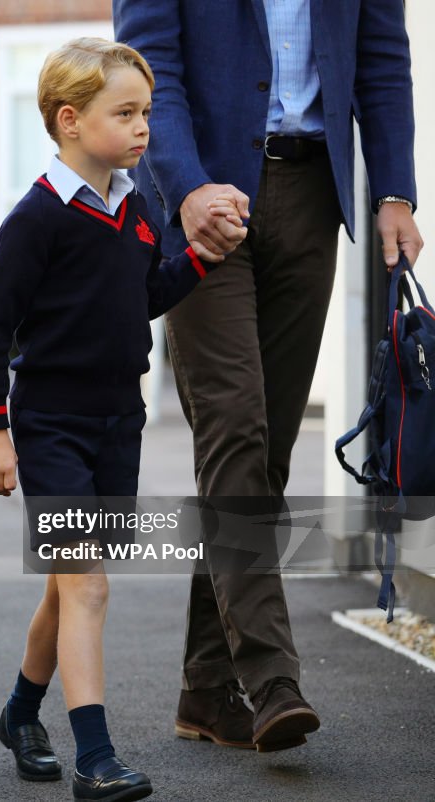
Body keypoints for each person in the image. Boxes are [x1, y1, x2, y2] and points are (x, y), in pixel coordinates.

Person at [113, 0, 424, 753]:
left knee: (265, 451)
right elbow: (154, 71)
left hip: (314, 195)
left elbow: (383, 62)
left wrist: (394, 190)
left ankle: (204, 690)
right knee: (234, 426)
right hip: (202, 201)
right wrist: (185, 188)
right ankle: (273, 677)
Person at [0, 39, 244, 802]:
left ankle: (21, 713)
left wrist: (199, 257)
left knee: (70, 587)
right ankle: (96, 757)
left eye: (146, 112)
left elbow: (142, 297)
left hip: (119, 419)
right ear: (69, 122)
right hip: (50, 422)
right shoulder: (35, 218)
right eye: (125, 113)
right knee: (87, 585)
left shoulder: (139, 206)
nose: (143, 127)